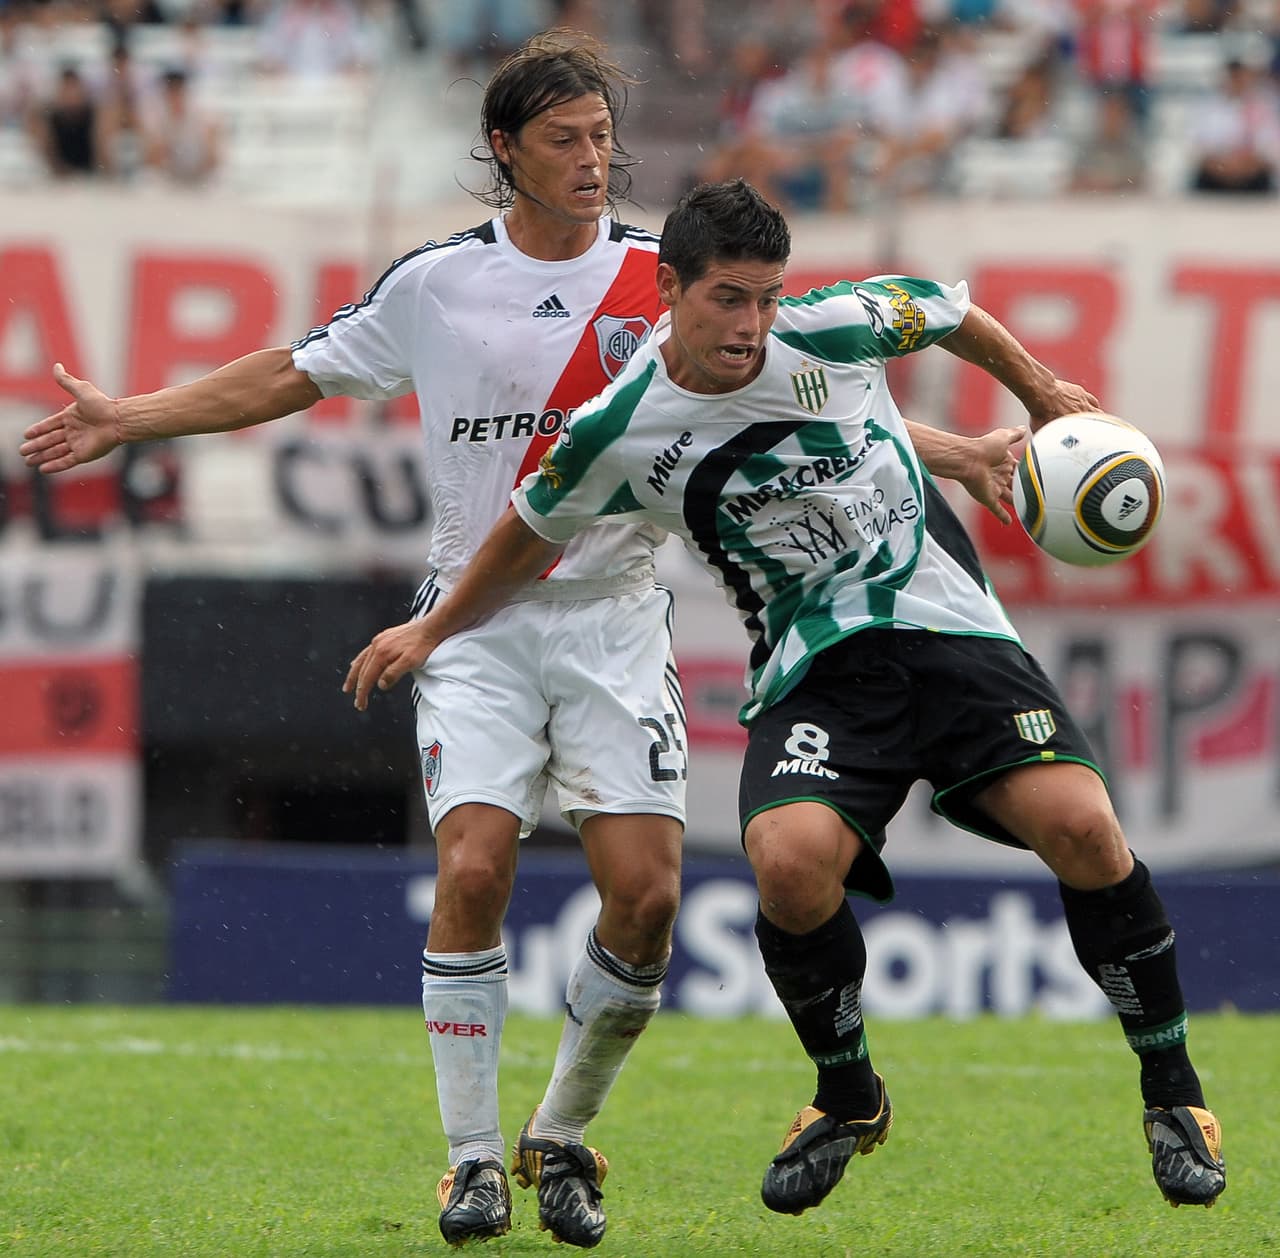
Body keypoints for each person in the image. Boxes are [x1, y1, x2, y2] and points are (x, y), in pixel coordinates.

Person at [18, 36, 1016, 1248]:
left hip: (612, 618)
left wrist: (960, 454)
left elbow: (802, 386)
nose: (593, 160)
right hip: (475, 624)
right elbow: (294, 372)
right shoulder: (436, 285)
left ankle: (560, 1133)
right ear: (505, 149)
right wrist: (134, 417)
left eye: (602, 137)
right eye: (565, 140)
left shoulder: (661, 276)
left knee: (645, 897)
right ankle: (472, 1162)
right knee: (474, 871)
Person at [345, 179, 1227, 1218]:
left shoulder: (834, 328)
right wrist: (431, 626)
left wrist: (1035, 395)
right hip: (815, 670)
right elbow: (521, 537)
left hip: (949, 635)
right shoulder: (613, 429)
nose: (752, 326)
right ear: (667, 288)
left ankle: (1172, 1094)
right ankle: (847, 1095)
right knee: (790, 863)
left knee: (1082, 827)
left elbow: (948, 312)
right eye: (727, 299)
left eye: (766, 298)